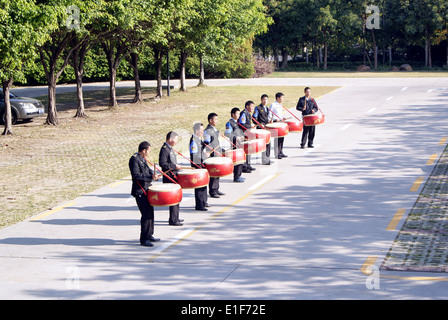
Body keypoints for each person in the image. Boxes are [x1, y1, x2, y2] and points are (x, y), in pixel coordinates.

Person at [129, 141, 162, 247]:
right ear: (144, 150)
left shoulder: (143, 159)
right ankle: (143, 238)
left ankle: (149, 234)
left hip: (147, 189)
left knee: (150, 213)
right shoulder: (134, 159)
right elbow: (136, 175)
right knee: (146, 215)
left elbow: (147, 171)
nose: (149, 153)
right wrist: (149, 177)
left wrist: (154, 175)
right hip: (139, 191)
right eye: (148, 151)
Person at [159, 131, 183, 226]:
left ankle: (176, 217)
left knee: (176, 198)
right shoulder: (164, 149)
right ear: (170, 139)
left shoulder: (170, 149)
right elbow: (163, 164)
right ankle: (173, 219)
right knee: (173, 198)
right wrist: (174, 166)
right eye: (175, 139)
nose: (176, 141)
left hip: (174, 175)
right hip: (169, 177)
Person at [204, 113, 225, 198]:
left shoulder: (214, 129)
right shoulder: (207, 131)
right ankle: (212, 191)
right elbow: (207, 144)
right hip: (212, 154)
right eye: (215, 119)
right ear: (210, 120)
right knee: (213, 172)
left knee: (217, 172)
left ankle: (216, 189)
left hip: (217, 153)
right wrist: (212, 152)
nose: (217, 121)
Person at [189, 123, 209, 211]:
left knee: (204, 183)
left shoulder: (198, 139)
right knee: (199, 185)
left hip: (201, 163)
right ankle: (199, 204)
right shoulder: (193, 141)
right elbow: (195, 156)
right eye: (201, 130)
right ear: (196, 131)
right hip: (197, 164)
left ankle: (204, 201)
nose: (202, 132)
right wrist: (204, 156)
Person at [225, 107, 246, 183]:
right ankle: (236, 177)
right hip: (234, 144)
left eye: (239, 113)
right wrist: (235, 138)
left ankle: (239, 175)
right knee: (237, 161)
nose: (238, 115)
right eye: (237, 113)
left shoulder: (236, 122)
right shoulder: (229, 123)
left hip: (239, 143)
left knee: (240, 160)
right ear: (233, 114)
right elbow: (227, 133)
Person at [269, 92, 289, 159]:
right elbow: (270, 114)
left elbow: (279, 114)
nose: (282, 99)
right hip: (275, 123)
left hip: (280, 122)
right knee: (277, 138)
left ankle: (281, 151)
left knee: (281, 137)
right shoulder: (273, 105)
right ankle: (277, 153)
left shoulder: (280, 105)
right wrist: (275, 119)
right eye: (281, 97)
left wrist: (282, 118)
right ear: (277, 98)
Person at [253, 94, 271, 165]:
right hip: (261, 129)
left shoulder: (267, 108)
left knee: (268, 143)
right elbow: (254, 118)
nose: (265, 101)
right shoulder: (258, 108)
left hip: (266, 128)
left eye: (266, 99)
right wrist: (259, 124)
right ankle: (264, 160)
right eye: (263, 99)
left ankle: (267, 158)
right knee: (264, 144)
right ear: (261, 100)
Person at [238, 101, 256, 172]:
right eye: (251, 106)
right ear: (247, 106)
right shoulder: (244, 113)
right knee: (244, 150)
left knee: (248, 150)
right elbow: (241, 124)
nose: (252, 108)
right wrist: (250, 126)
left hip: (247, 134)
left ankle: (248, 165)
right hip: (243, 134)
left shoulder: (248, 114)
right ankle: (244, 167)